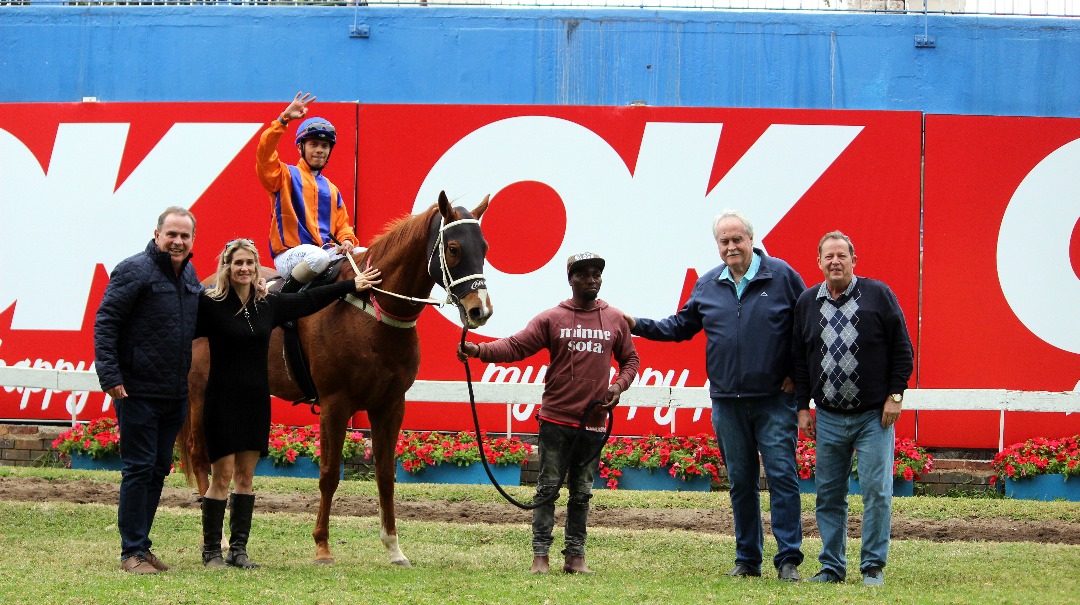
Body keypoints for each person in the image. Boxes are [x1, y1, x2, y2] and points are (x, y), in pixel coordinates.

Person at [625, 211, 805, 582]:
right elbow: (680, 327)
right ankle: (748, 560)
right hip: (727, 401)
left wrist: (797, 375)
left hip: (774, 400)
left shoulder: (783, 276)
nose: (731, 246)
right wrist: (635, 324)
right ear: (717, 245)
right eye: (724, 241)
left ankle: (788, 560)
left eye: (737, 239)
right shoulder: (708, 284)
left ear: (751, 239)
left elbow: (808, 328)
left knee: (782, 479)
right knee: (740, 482)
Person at [196, 238, 380, 569]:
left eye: (249, 263)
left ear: (256, 269)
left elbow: (310, 299)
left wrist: (352, 284)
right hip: (221, 401)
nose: (244, 269)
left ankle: (238, 550)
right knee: (221, 478)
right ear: (227, 267)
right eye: (238, 263)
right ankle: (211, 552)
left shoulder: (269, 305)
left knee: (245, 479)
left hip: (255, 403)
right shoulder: (209, 306)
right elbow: (178, 326)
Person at [457, 252, 639, 575]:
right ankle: (540, 556)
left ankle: (575, 557)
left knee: (582, 493)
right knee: (546, 490)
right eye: (583, 274)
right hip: (556, 419)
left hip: (593, 423)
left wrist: (618, 386)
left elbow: (631, 361)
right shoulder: (552, 318)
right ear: (570, 279)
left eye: (596, 274)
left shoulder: (615, 319)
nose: (592, 279)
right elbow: (516, 346)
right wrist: (478, 350)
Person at [792, 231, 913, 586]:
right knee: (829, 495)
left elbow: (902, 349)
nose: (835, 262)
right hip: (828, 417)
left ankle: (872, 566)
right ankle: (832, 566)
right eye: (828, 256)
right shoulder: (806, 303)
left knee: (877, 491)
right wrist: (803, 408)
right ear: (819, 262)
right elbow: (799, 360)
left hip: (874, 417)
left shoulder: (879, 295)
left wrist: (896, 396)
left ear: (853, 260)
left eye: (841, 256)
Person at [94, 206, 202, 574]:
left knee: (156, 470)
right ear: (157, 235)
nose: (178, 241)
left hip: (174, 394)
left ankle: (142, 545)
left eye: (184, 235)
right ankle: (131, 553)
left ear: (192, 240)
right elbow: (106, 321)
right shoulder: (134, 270)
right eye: (172, 234)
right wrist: (110, 376)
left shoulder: (190, 275)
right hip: (137, 391)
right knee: (139, 469)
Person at [256, 91, 361, 293]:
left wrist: (347, 241)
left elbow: (343, 226)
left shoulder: (332, 189)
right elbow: (264, 154)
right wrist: (283, 120)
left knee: (365, 254)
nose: (320, 150)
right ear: (300, 148)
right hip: (289, 255)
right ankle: (283, 302)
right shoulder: (283, 175)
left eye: (324, 146)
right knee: (317, 257)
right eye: (313, 144)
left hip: (326, 252)